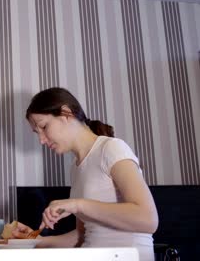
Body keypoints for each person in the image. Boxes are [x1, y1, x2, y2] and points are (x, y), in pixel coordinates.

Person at [13, 87, 158, 261]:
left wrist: (77, 205)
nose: (41, 140)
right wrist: (36, 240)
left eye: (44, 127)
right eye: (38, 133)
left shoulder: (111, 148)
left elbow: (148, 219)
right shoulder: (76, 168)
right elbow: (82, 237)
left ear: (66, 113)